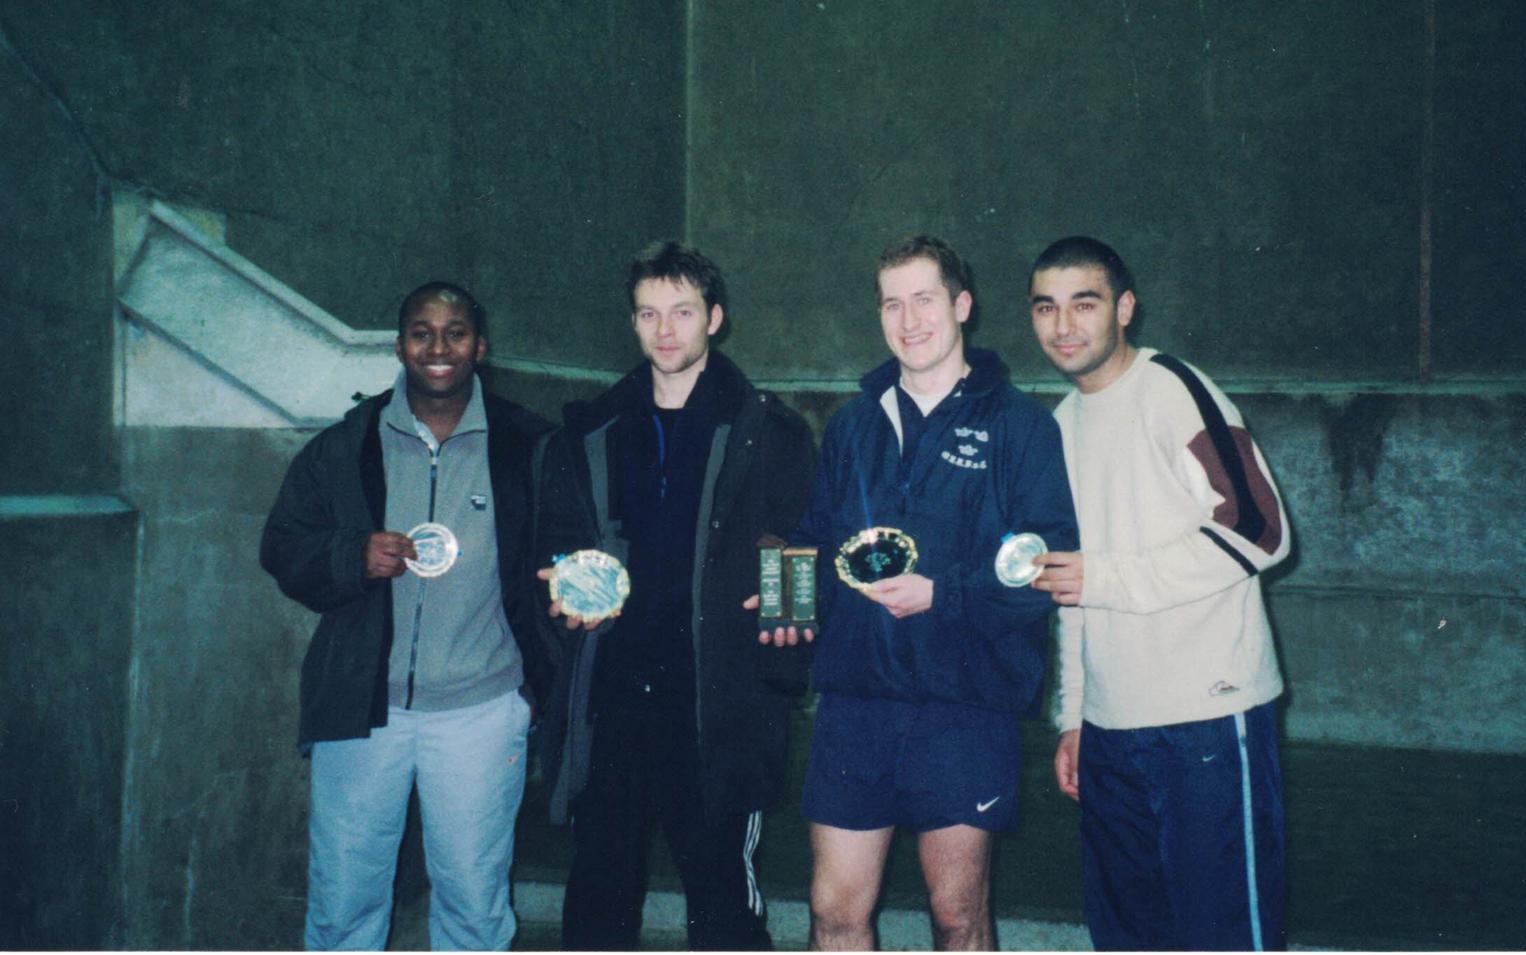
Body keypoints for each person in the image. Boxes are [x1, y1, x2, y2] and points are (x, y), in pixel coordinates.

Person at [761, 235, 1078, 950]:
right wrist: (782, 589)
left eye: (924, 299)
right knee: (833, 911)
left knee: (956, 915)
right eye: (892, 303)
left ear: (961, 305)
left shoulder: (1021, 427)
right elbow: (817, 534)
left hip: (962, 710)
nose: (909, 320)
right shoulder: (851, 426)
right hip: (854, 706)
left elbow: (1043, 564)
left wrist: (945, 594)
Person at [534, 241, 817, 950]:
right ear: (632, 323)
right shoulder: (591, 431)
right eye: (649, 313)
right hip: (615, 702)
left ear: (714, 318)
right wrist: (563, 580)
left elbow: (803, 551)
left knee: (722, 904)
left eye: (682, 311)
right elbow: (561, 544)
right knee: (597, 900)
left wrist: (786, 610)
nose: (665, 329)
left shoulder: (768, 432)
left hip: (715, 708)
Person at [260, 282, 555, 950]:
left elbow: (569, 554)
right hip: (363, 710)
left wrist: (538, 681)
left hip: (482, 709)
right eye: (422, 331)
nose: (438, 347)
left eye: (455, 332)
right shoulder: (347, 445)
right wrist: (349, 556)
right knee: (343, 903)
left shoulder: (529, 446)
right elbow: (281, 545)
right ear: (399, 346)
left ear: (480, 346)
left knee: (474, 906)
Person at [1026, 236, 1292, 951]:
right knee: (1129, 935)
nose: (1064, 325)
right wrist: (1077, 713)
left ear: (1124, 308)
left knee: (1223, 935)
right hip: (1112, 732)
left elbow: (1260, 531)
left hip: (1208, 714)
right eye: (1046, 307)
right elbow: (1070, 585)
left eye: (1084, 302)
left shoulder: (1173, 388)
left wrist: (1103, 575)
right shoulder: (1056, 426)